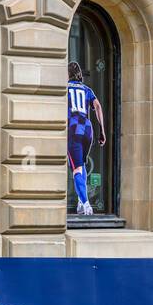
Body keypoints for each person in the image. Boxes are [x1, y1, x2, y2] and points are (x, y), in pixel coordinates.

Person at [67, 60, 106, 215]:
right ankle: (80, 202)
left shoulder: (65, 88)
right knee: (81, 164)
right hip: (88, 129)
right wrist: (101, 130)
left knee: (76, 169)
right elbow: (97, 106)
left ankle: (86, 204)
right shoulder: (87, 89)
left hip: (73, 129)